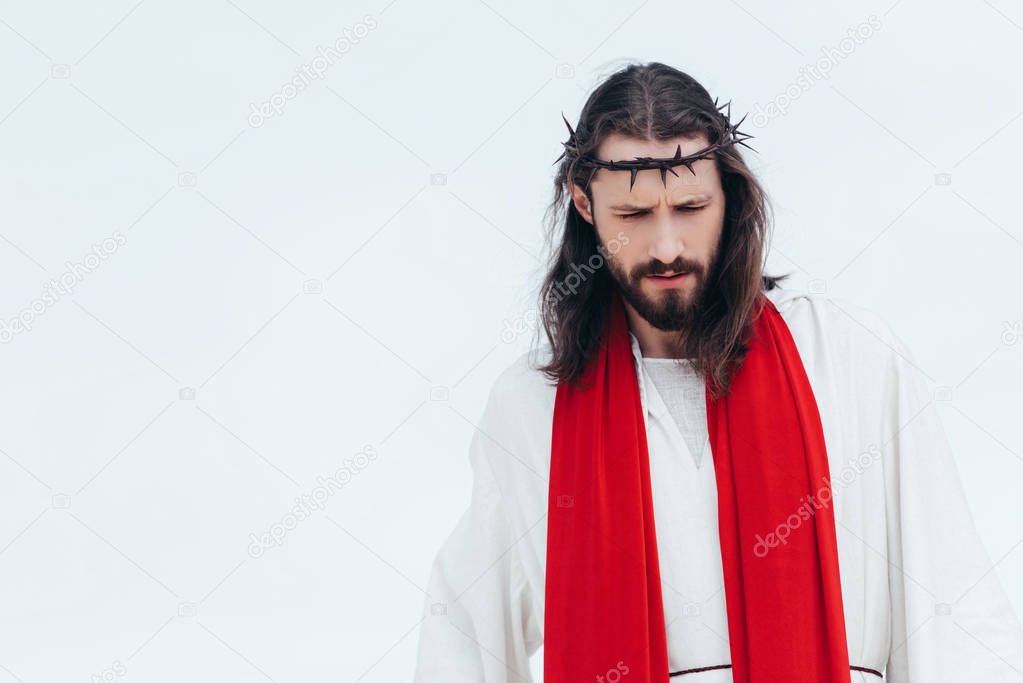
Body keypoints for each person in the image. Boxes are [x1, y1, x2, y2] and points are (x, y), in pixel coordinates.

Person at [412, 62, 1023, 682]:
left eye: (690, 206)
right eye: (633, 216)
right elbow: (462, 632)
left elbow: (954, 611)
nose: (667, 245)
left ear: (728, 196)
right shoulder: (529, 407)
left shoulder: (852, 356)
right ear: (583, 202)